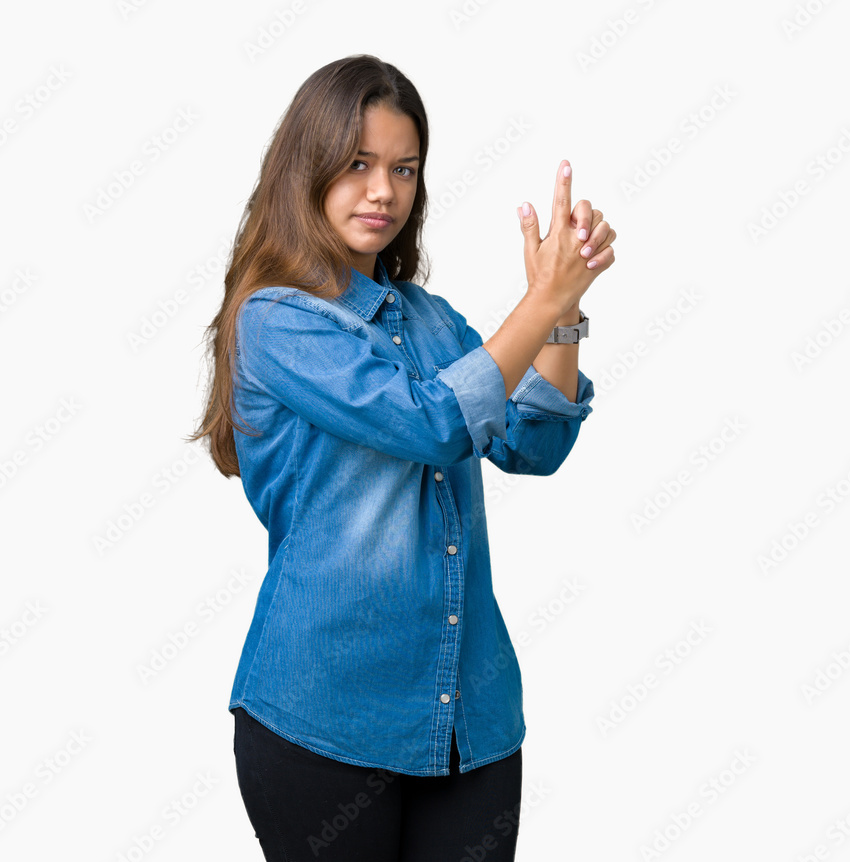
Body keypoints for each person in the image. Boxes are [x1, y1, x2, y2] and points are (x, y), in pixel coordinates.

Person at [189, 53, 615, 862]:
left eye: (404, 169)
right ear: (304, 169)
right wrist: (539, 301)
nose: (383, 190)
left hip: (468, 724)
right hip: (324, 718)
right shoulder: (277, 318)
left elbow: (535, 443)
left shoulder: (430, 318)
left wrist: (564, 316)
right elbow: (433, 424)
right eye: (357, 165)